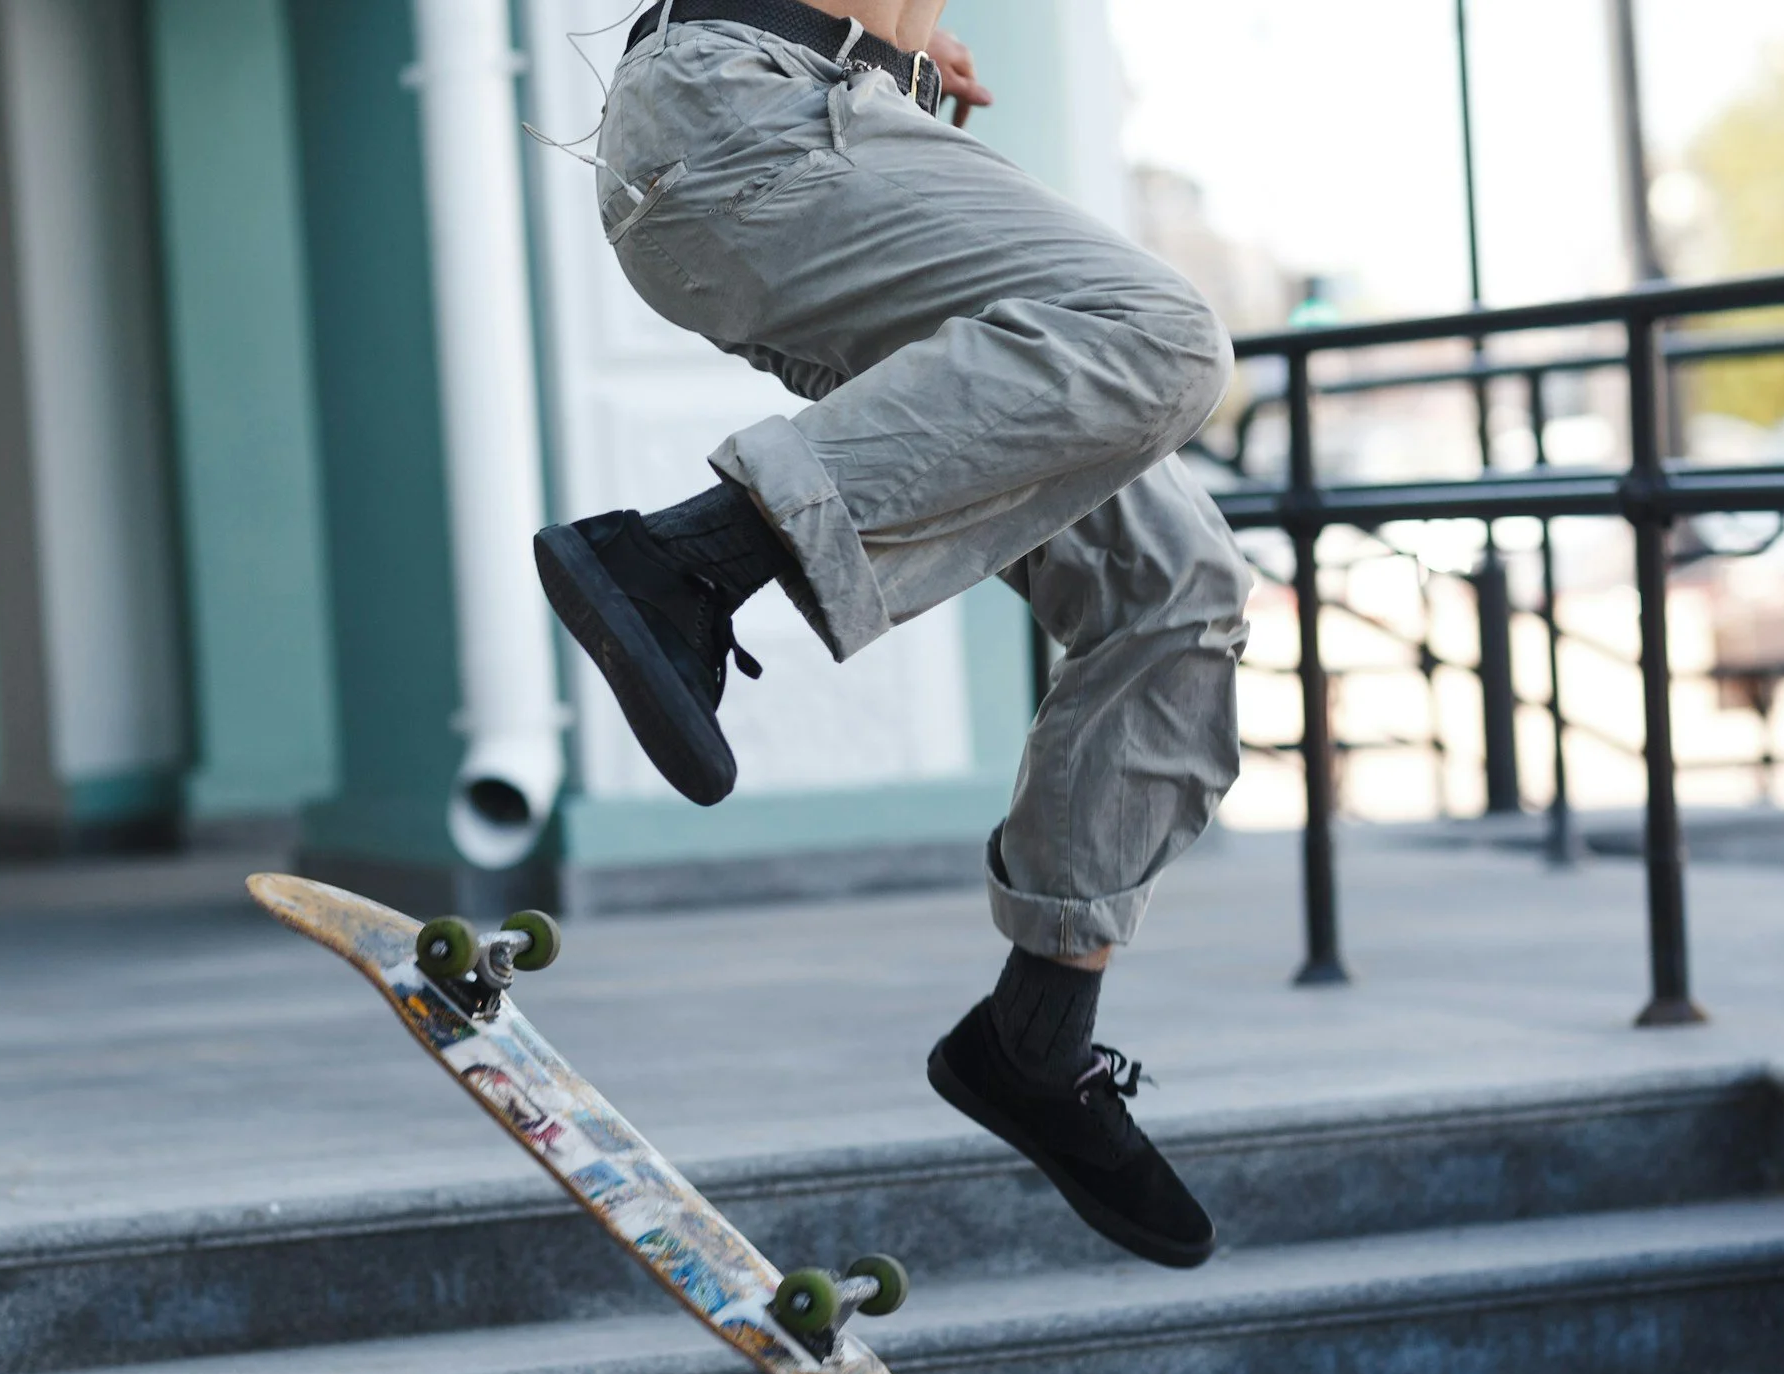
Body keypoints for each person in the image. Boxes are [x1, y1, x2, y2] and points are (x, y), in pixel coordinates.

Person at [535, 0, 1252, 1267]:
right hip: (746, 112)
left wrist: (906, 44)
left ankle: (1036, 1037)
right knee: (1156, 332)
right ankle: (688, 559)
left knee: (1174, 580)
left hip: (821, 123)